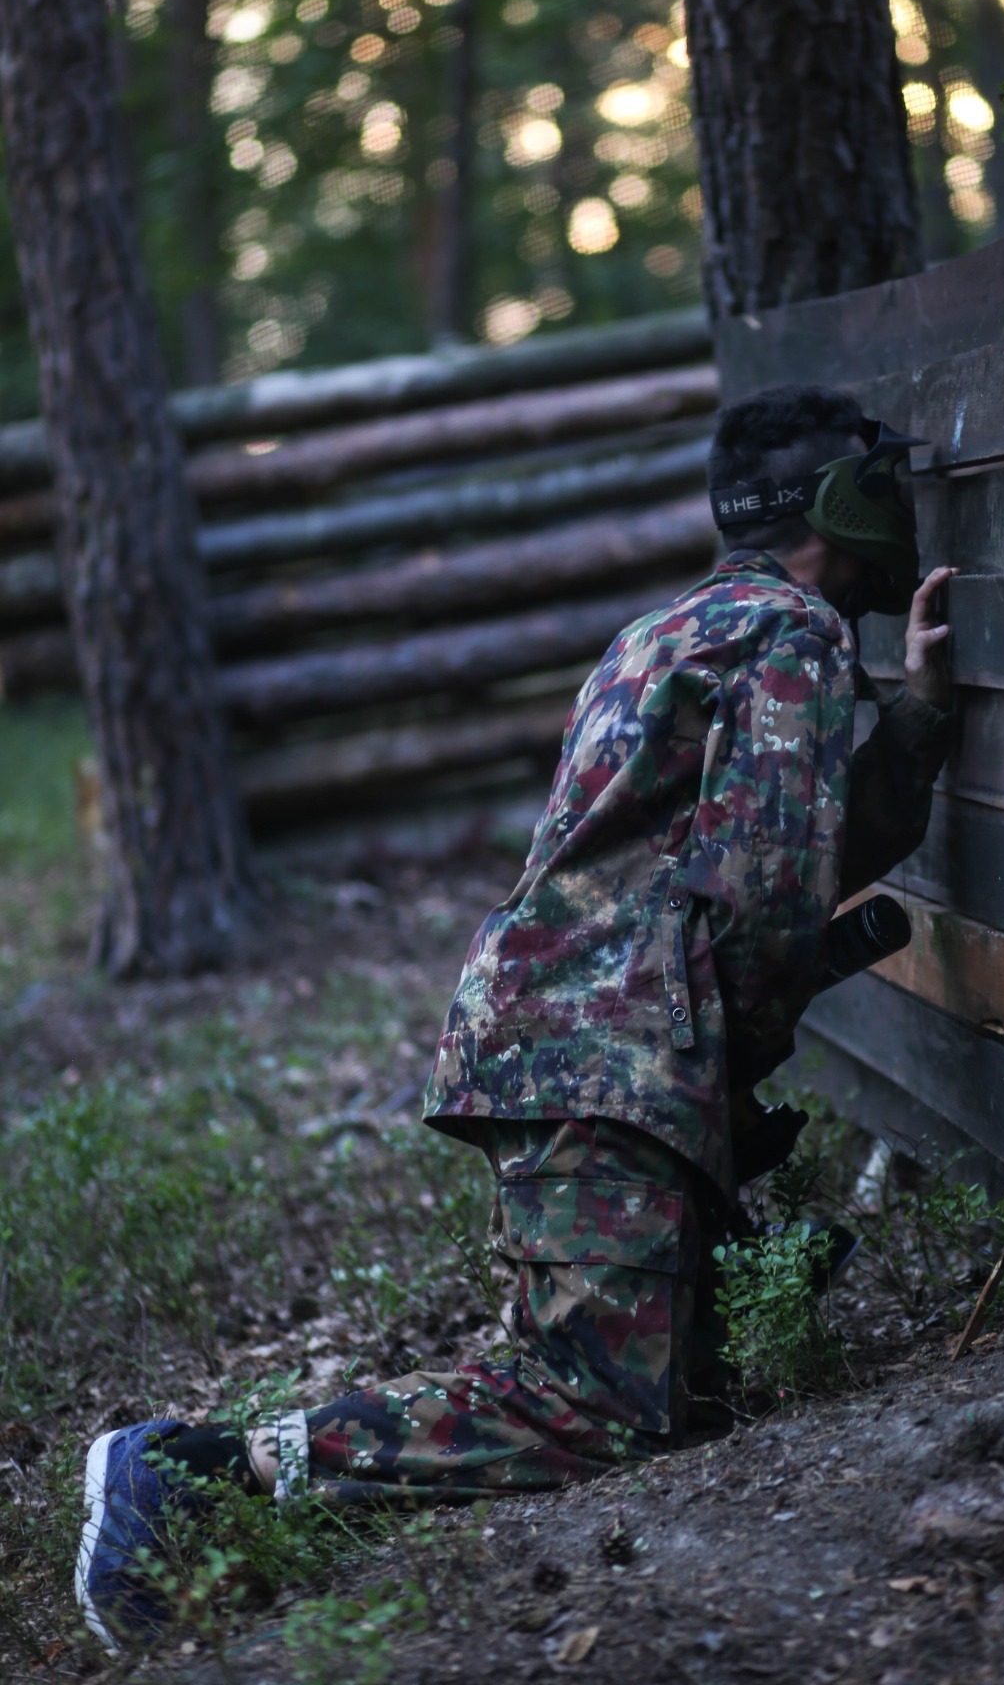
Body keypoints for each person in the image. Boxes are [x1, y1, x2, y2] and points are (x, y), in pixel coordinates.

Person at [75, 383, 958, 1650]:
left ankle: (210, 1508)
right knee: (592, 1406)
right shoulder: (791, 631)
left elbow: (790, 844)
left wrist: (917, 713)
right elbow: (770, 884)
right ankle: (194, 1471)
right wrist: (733, 1053)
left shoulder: (665, 631)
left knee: (675, 1398)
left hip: (556, 1032)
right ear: (839, 504)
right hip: (607, 1045)